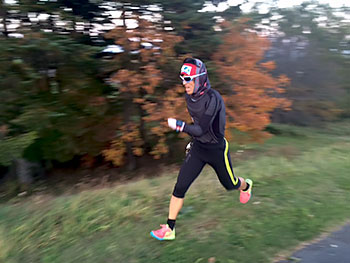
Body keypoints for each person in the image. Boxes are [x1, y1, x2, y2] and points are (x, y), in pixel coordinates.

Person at [150, 58, 253, 241]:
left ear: (200, 78)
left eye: (188, 79)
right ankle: (169, 229)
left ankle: (246, 186)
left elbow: (201, 129)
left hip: (217, 150)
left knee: (230, 185)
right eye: (182, 78)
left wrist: (180, 125)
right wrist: (192, 141)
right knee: (180, 186)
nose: (184, 83)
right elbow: (197, 127)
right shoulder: (189, 97)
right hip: (199, 149)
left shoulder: (214, 98)